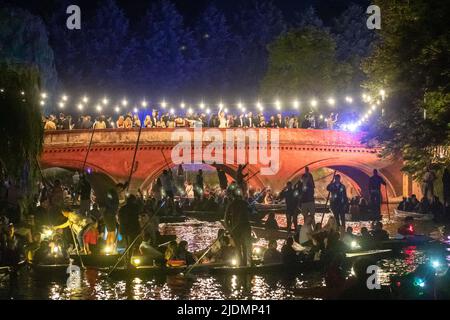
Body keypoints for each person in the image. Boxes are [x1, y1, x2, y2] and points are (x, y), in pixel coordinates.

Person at [224, 189, 252, 267]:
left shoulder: (232, 204)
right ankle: (245, 264)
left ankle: (241, 264)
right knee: (244, 247)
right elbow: (253, 211)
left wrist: (230, 229)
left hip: (238, 229)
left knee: (239, 248)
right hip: (243, 228)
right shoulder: (243, 203)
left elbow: (226, 220)